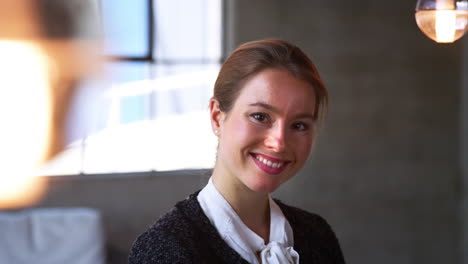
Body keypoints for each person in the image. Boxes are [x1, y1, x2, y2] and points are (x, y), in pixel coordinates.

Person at [128, 39, 345, 264]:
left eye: (299, 125)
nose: (279, 143)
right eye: (260, 116)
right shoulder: (165, 249)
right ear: (217, 117)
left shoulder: (317, 234)